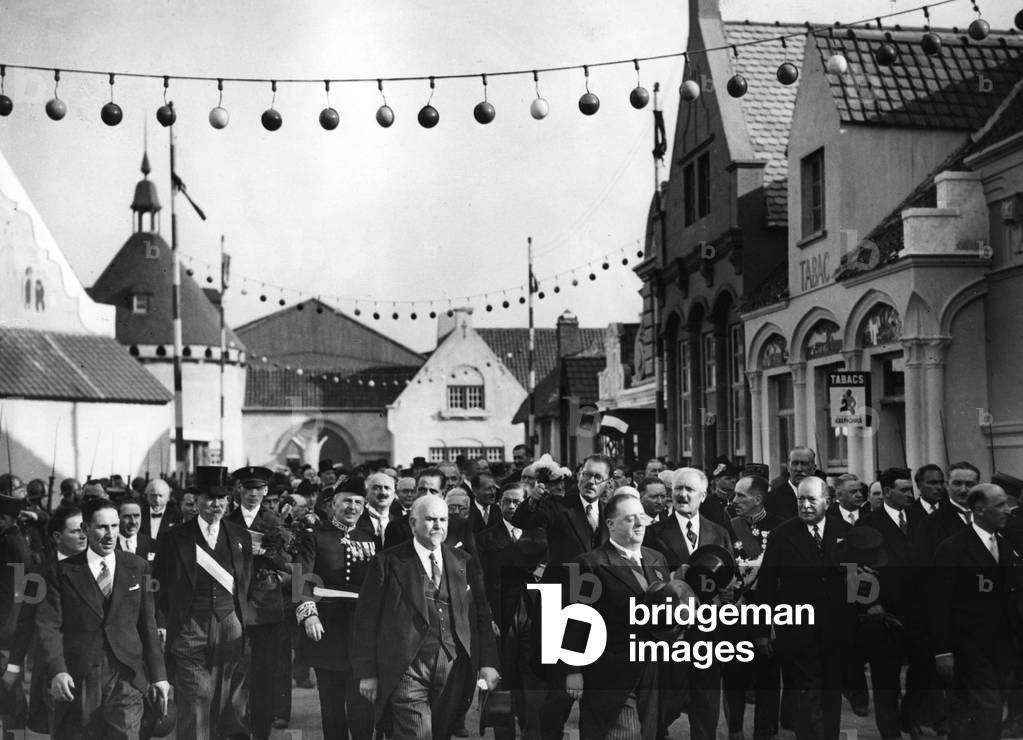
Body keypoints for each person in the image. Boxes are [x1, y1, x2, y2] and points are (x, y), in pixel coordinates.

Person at [351, 495, 500, 740]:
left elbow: (481, 615)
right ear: (412, 523)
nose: (438, 526)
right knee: (418, 734)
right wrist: (367, 672)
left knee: (440, 733)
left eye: (443, 520)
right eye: (430, 519)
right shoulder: (387, 562)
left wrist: (488, 662)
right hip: (406, 666)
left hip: (453, 665)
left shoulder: (463, 561)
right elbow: (366, 620)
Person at [36, 498, 169, 740]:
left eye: (115, 526)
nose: (110, 534)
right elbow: (49, 627)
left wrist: (159, 677)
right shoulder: (60, 572)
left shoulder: (137, 567)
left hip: (127, 675)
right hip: (81, 676)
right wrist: (57, 671)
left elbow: (147, 625)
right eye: (102, 527)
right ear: (86, 529)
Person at [152, 465, 253, 739]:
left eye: (222, 498)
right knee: (197, 696)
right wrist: (165, 622)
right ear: (196, 501)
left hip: (229, 624)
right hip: (189, 626)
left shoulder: (239, 536)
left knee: (224, 701)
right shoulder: (175, 537)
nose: (216, 504)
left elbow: (244, 583)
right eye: (209, 498)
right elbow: (158, 584)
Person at [753, 476, 854, 740]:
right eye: (801, 499)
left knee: (831, 693)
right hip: (797, 631)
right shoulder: (782, 535)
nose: (806, 505)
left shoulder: (845, 532)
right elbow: (766, 584)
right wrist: (763, 631)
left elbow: (856, 581)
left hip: (835, 631)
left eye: (812, 499)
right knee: (806, 694)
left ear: (827, 501)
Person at [563, 493, 670, 740]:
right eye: (630, 519)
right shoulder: (589, 564)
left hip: (652, 670)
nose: (640, 524)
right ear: (610, 524)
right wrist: (573, 669)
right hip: (610, 671)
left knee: (650, 732)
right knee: (624, 733)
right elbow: (577, 619)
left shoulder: (657, 559)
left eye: (641, 517)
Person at [643, 467, 732, 740]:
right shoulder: (652, 533)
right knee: (666, 702)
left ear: (703, 496)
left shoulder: (719, 533)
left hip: (707, 631)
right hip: (669, 633)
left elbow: (728, 578)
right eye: (678, 489)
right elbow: (647, 580)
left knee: (706, 703)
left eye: (689, 490)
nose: (682, 495)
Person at [929, 483, 1019, 740]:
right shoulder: (953, 549)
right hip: (967, 647)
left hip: (1002, 648)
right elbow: (938, 603)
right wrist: (942, 650)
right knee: (988, 709)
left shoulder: (1005, 545)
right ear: (979, 510)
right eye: (1000, 505)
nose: (1008, 510)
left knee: (973, 711)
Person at [295, 484, 377, 740]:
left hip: (362, 631)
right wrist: (309, 613)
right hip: (327, 629)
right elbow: (302, 576)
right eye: (346, 501)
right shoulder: (315, 536)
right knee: (332, 707)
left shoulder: (370, 538)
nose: (352, 507)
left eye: (358, 502)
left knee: (362, 705)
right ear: (333, 505)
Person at [854, 468, 922, 739]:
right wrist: (869, 605)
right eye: (903, 490)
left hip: (918, 611)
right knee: (886, 680)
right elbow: (852, 568)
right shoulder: (868, 524)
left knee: (922, 673)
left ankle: (910, 717)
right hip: (882, 613)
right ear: (887, 490)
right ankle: (890, 731)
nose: (909, 495)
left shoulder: (920, 520)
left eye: (910, 489)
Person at [228, 466, 292, 740]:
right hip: (232, 604)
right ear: (239, 490)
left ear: (266, 491)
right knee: (233, 672)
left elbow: (291, 563)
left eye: (258, 489)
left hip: (266, 607)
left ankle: (261, 731)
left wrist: (264, 551)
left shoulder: (275, 522)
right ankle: (235, 729)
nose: (253, 494)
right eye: (247, 488)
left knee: (265, 673)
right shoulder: (227, 521)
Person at [720, 475, 785, 740]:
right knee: (733, 676)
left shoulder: (780, 529)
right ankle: (735, 729)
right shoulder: (726, 528)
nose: (734, 500)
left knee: (769, 680)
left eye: (740, 496)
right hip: (734, 613)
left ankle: (765, 732)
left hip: (768, 615)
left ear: (757, 499)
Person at [765, 447, 816, 520]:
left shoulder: (822, 497)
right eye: (795, 464)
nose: (799, 469)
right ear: (788, 468)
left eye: (804, 464)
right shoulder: (771, 500)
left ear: (813, 469)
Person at [141, 479, 180, 544]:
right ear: (147, 496)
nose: (157, 500)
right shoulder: (140, 514)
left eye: (160, 496)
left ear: (168, 498)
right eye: (153, 495)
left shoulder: (176, 515)